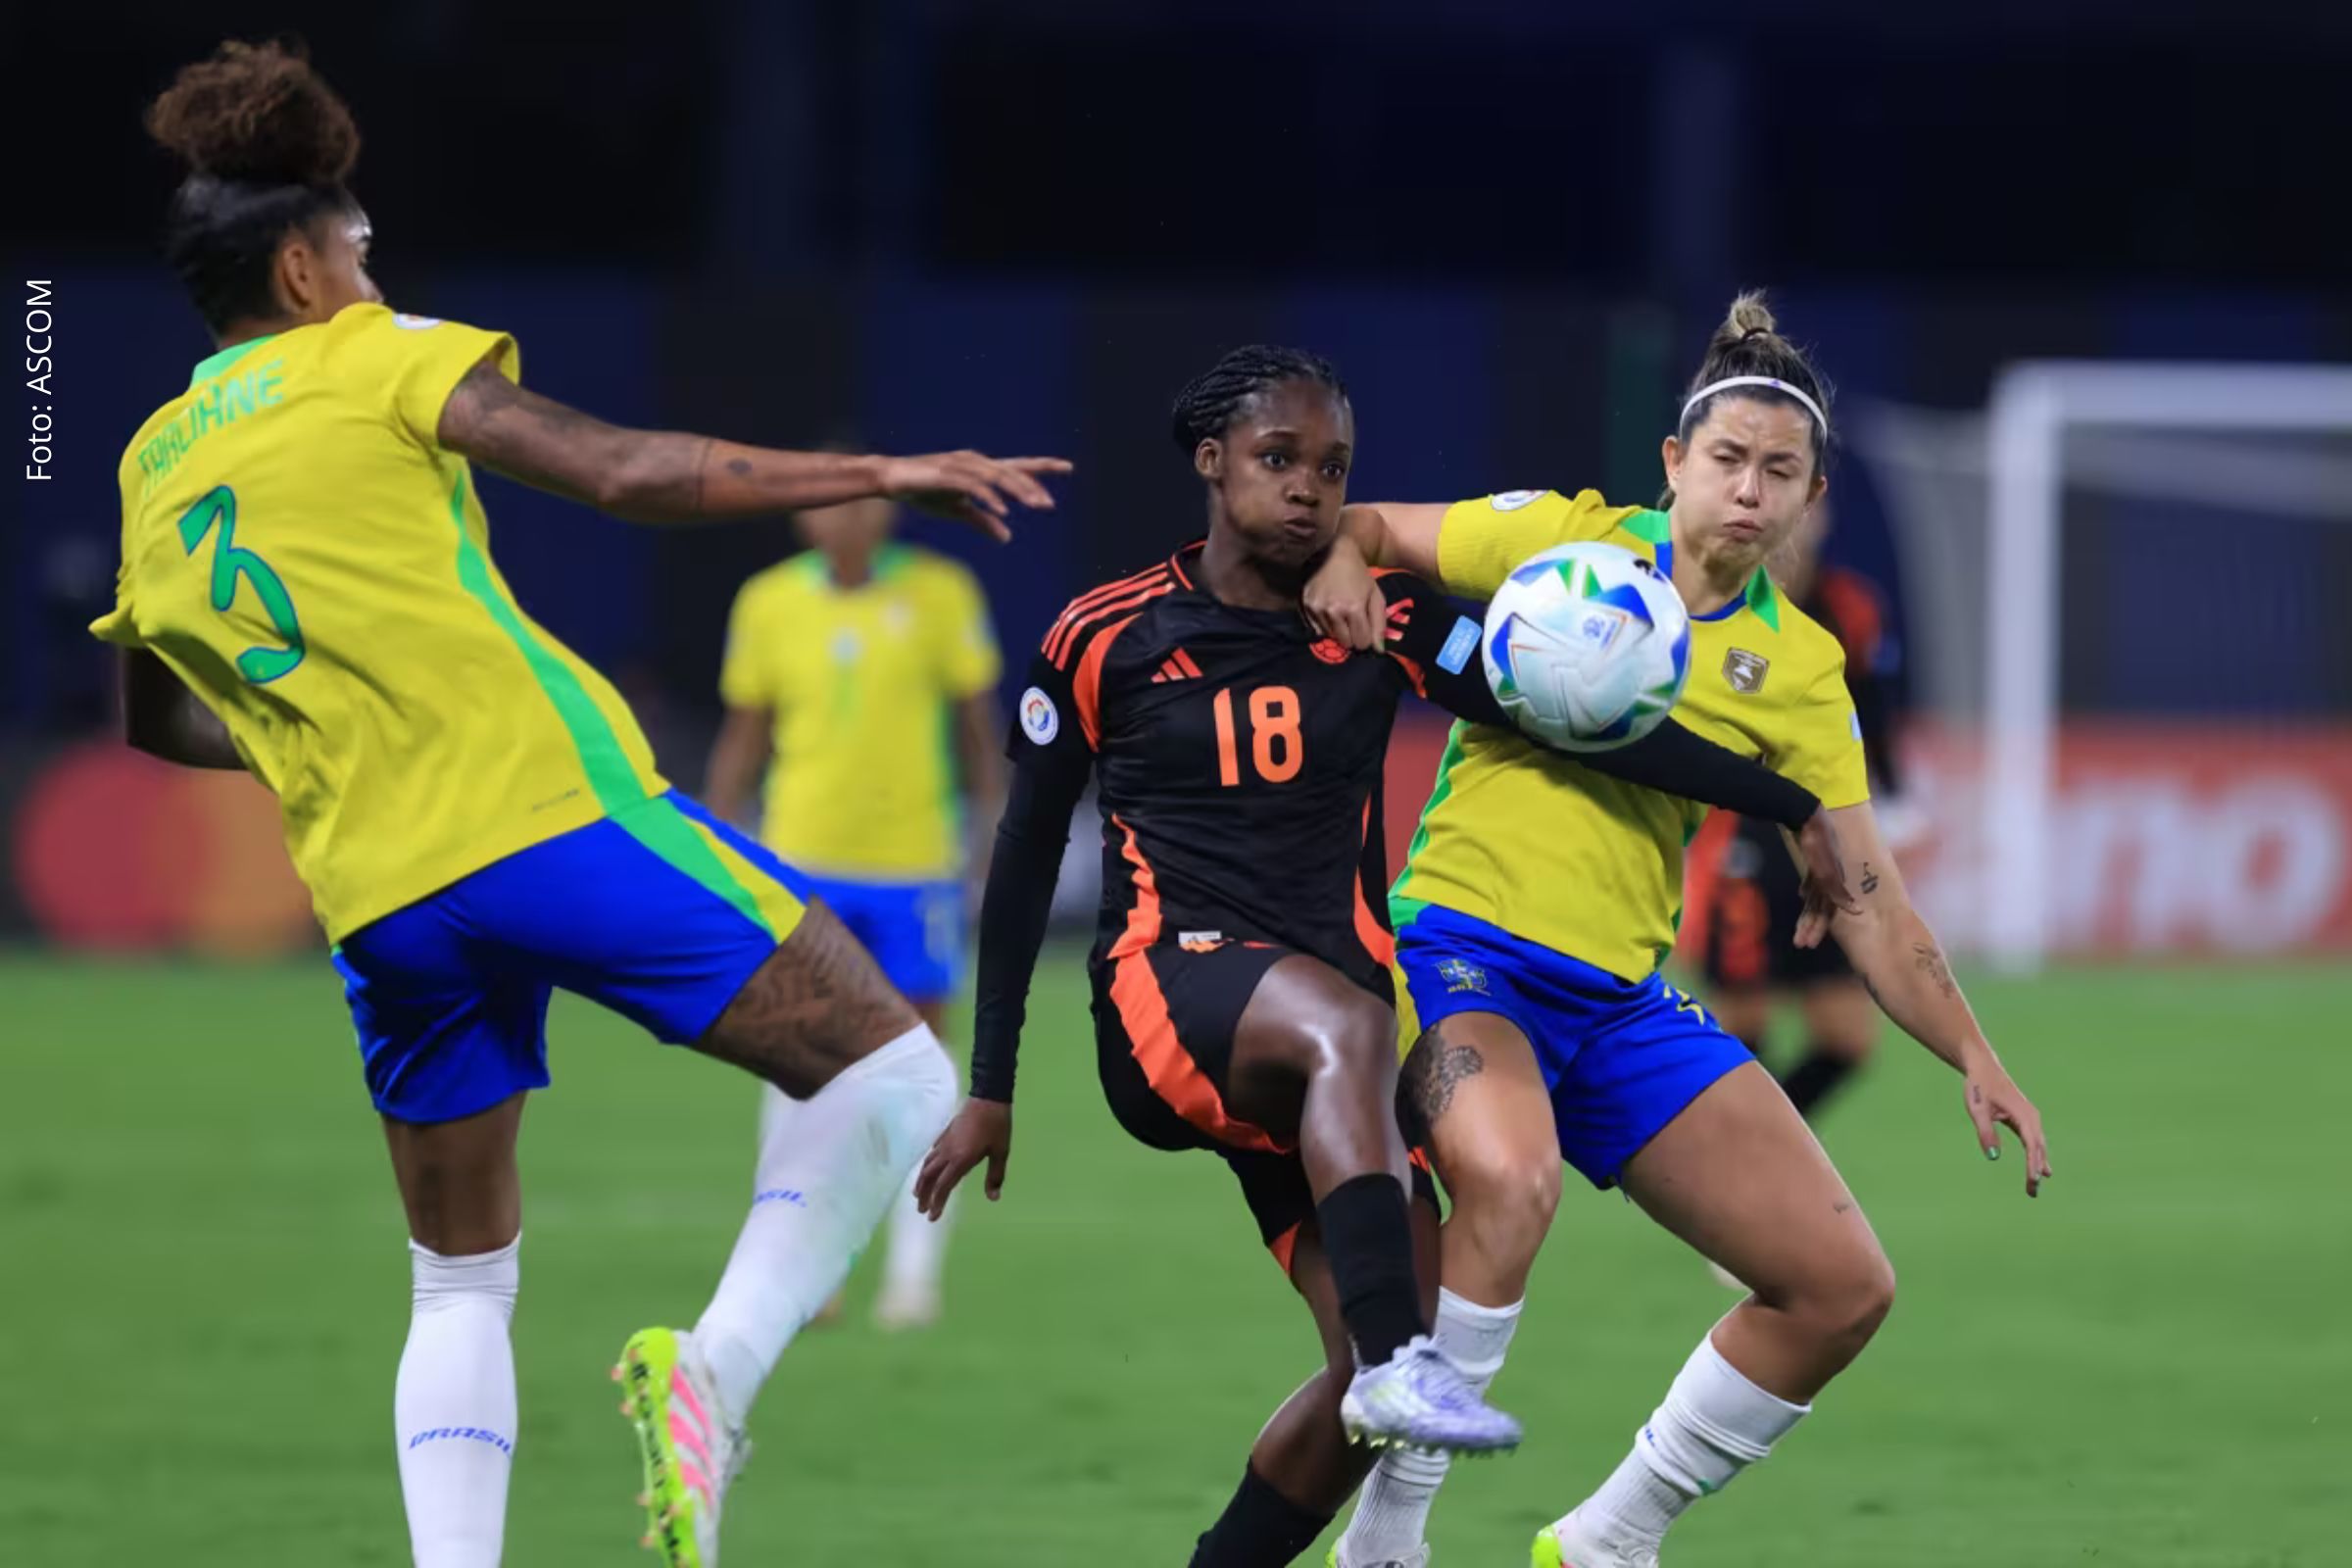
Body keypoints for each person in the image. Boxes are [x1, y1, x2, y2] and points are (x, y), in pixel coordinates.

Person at [101, 41, 1066, 1568]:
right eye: (356, 250)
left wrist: (326, 737)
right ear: (298, 266)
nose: (371, 270)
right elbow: (624, 472)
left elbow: (160, 715)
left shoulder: (154, 464)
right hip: (541, 817)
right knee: (892, 1080)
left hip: (376, 892)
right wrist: (879, 466)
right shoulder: (375, 354)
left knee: (460, 1283)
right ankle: (716, 1378)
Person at [914, 345, 1850, 1567]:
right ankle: (1409, 1380)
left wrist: (1787, 803)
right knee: (1365, 1109)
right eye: (1278, 460)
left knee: (1365, 1367)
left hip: (1323, 1062)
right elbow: (1027, 852)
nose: (1309, 488)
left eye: (1334, 468)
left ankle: (1330, 1470)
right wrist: (990, 1083)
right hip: (1173, 998)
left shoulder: (1381, 621)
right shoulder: (1106, 633)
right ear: (1212, 463)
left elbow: (1576, 728)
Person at [1303, 293, 2052, 1568]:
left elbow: (1866, 893)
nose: (1749, 492)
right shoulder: (1561, 545)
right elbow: (1371, 528)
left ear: (1812, 494)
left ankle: (1606, 1541)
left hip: (1622, 1001)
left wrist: (1974, 1053)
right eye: (1727, 461)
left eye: (1780, 472)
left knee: (1840, 1287)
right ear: (1673, 464)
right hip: (1464, 953)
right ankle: (1387, 1539)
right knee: (1511, 1180)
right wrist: (1338, 557)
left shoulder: (1803, 671)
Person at [703, 481, 1005, 1330]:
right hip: (801, 863)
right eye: (831, 500)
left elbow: (978, 726)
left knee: (923, 1064)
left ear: (887, 512)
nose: (848, 515)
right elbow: (744, 732)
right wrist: (718, 838)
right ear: (805, 513)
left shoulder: (940, 592)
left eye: (863, 500)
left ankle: (914, 1278)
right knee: (796, 1060)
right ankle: (803, 1267)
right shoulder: (768, 602)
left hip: (915, 865)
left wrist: (991, 828)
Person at [1690, 501, 1914, 1147]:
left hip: (1827, 834)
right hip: (1742, 833)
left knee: (1846, 1037)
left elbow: (1872, 714)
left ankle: (1753, 1155)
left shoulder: (1850, 609)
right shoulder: (1717, 600)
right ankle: (1725, 1173)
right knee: (1740, 1026)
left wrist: (1893, 800)